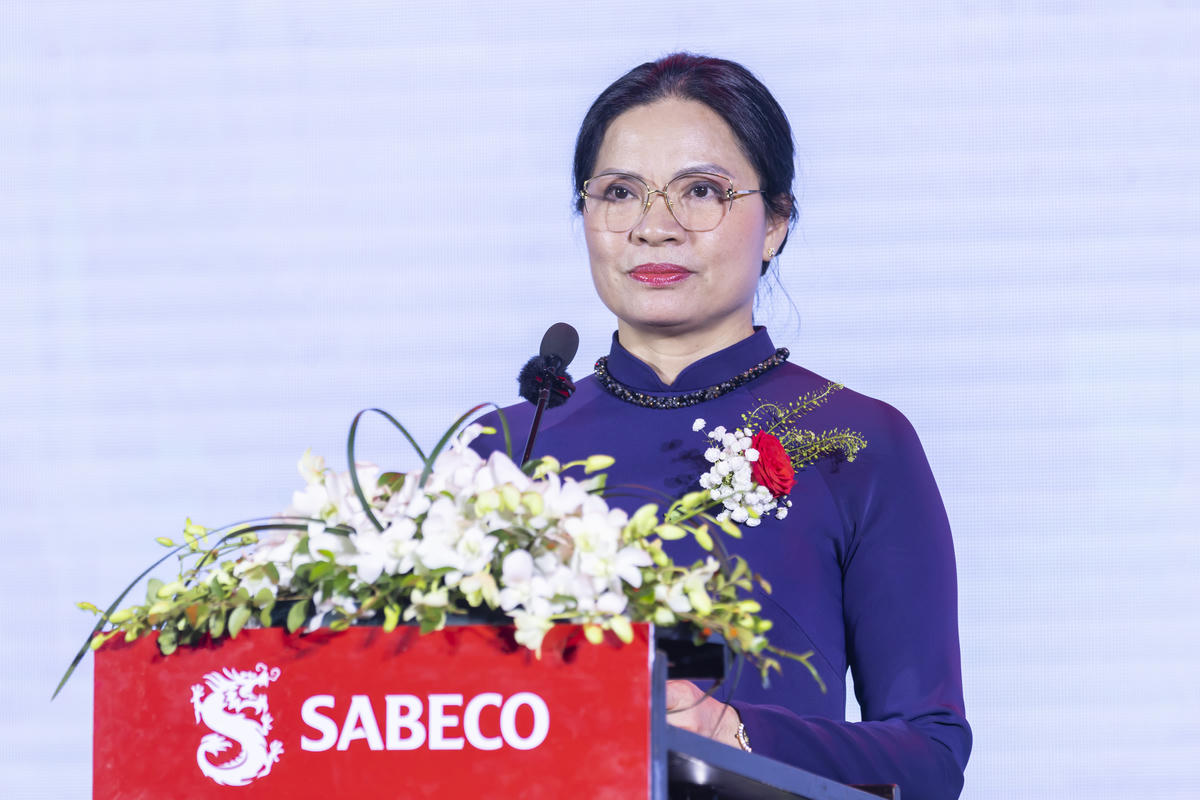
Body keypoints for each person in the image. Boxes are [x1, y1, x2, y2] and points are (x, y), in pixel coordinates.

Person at [472, 53, 971, 800]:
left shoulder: (857, 442)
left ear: (774, 222)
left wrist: (734, 735)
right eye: (619, 193)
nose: (654, 228)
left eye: (700, 191)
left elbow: (930, 757)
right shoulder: (509, 448)